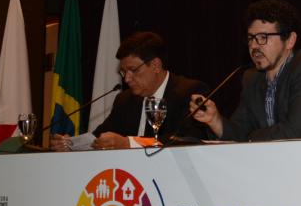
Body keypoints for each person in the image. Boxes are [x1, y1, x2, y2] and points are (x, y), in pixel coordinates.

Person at [189, 0, 301, 141]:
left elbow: (295, 133)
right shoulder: (252, 78)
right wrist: (215, 120)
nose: (254, 46)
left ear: (290, 40)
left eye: (263, 37)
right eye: (251, 38)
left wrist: (249, 138)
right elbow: (239, 131)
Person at [50, 31, 208, 150]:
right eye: (123, 72)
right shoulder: (125, 100)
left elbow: (188, 139)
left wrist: (129, 143)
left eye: (133, 70)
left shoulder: (190, 93)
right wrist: (71, 144)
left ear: (155, 66)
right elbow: (99, 137)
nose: (126, 79)